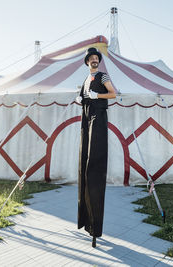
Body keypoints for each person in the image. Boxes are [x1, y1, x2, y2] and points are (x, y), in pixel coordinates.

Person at [76, 47, 116, 248]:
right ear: (86, 62)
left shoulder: (102, 76)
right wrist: (81, 98)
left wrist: (97, 96)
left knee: (95, 166)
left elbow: (113, 94)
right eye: (91, 58)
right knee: (84, 165)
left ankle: (95, 224)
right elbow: (84, 97)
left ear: (98, 61)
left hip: (98, 120)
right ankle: (85, 219)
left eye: (96, 58)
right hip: (86, 121)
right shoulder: (85, 80)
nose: (94, 60)